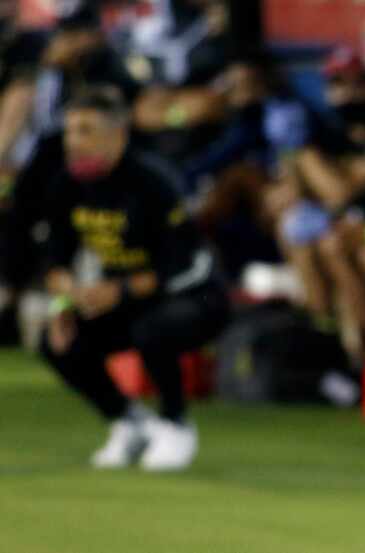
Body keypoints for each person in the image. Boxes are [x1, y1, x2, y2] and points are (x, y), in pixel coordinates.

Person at [41, 87, 229, 471]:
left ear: (118, 136)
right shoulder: (65, 185)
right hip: (128, 298)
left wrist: (121, 289)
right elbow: (56, 258)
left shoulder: (153, 182)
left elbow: (182, 262)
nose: (74, 142)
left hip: (196, 298)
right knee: (58, 341)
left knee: (152, 329)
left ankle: (175, 424)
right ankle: (128, 422)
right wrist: (66, 302)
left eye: (86, 131)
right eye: (70, 132)